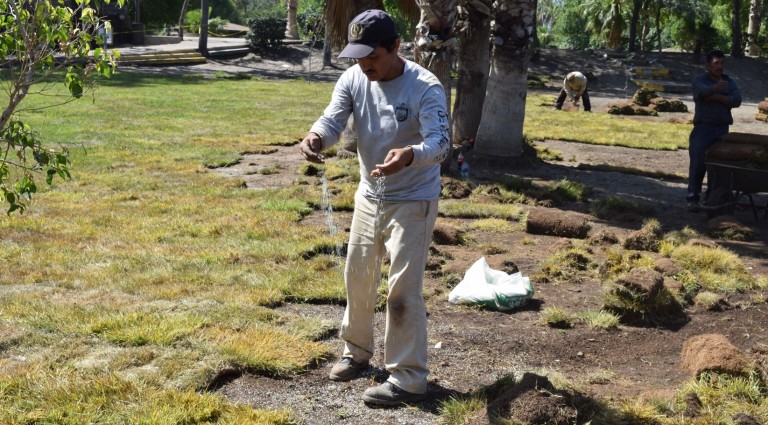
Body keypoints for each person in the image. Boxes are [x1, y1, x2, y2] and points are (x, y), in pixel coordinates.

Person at [298, 9, 449, 406]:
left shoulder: (425, 87)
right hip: (370, 195)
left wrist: (411, 155)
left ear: (396, 47)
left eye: (373, 57)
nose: (365, 66)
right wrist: (316, 137)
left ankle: (409, 378)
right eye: (359, 58)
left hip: (413, 199)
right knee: (358, 276)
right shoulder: (354, 77)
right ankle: (356, 352)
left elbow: (441, 143)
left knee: (402, 292)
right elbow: (333, 120)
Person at [686, 50, 741, 210]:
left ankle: (712, 197)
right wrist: (716, 90)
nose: (720, 66)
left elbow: (737, 100)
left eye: (722, 63)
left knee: (718, 166)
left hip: (722, 129)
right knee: (698, 163)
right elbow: (700, 93)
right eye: (716, 63)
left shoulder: (729, 81)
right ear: (708, 65)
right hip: (703, 128)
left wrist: (717, 98)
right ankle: (692, 198)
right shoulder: (699, 80)